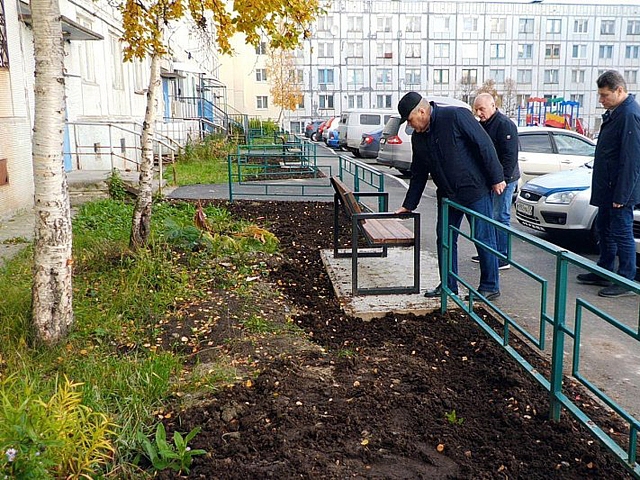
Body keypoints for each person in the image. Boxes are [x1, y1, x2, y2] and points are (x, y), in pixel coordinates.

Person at [394, 92, 506, 300]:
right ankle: (448, 284)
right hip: (447, 195)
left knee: (483, 238)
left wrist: (497, 177)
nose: (410, 126)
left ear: (421, 111)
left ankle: (490, 286)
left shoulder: (455, 116)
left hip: (475, 191)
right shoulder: (418, 138)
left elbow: (484, 144)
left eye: (410, 120)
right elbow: (418, 173)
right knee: (444, 238)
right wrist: (409, 205)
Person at [576, 70, 640, 297]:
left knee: (621, 232)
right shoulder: (617, 112)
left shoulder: (629, 115)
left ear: (620, 91)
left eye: (604, 95)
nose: (601, 100)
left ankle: (625, 279)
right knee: (604, 228)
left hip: (619, 191)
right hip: (608, 188)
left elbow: (632, 160)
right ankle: (605, 270)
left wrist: (621, 196)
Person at [472, 93, 520, 270]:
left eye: (482, 109)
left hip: (504, 179)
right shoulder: (483, 125)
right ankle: (490, 252)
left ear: (493, 106)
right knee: (490, 216)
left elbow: (510, 156)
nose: (479, 113)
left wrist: (503, 180)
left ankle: (503, 255)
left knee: (501, 216)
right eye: (476, 109)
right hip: (490, 178)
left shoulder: (505, 125)